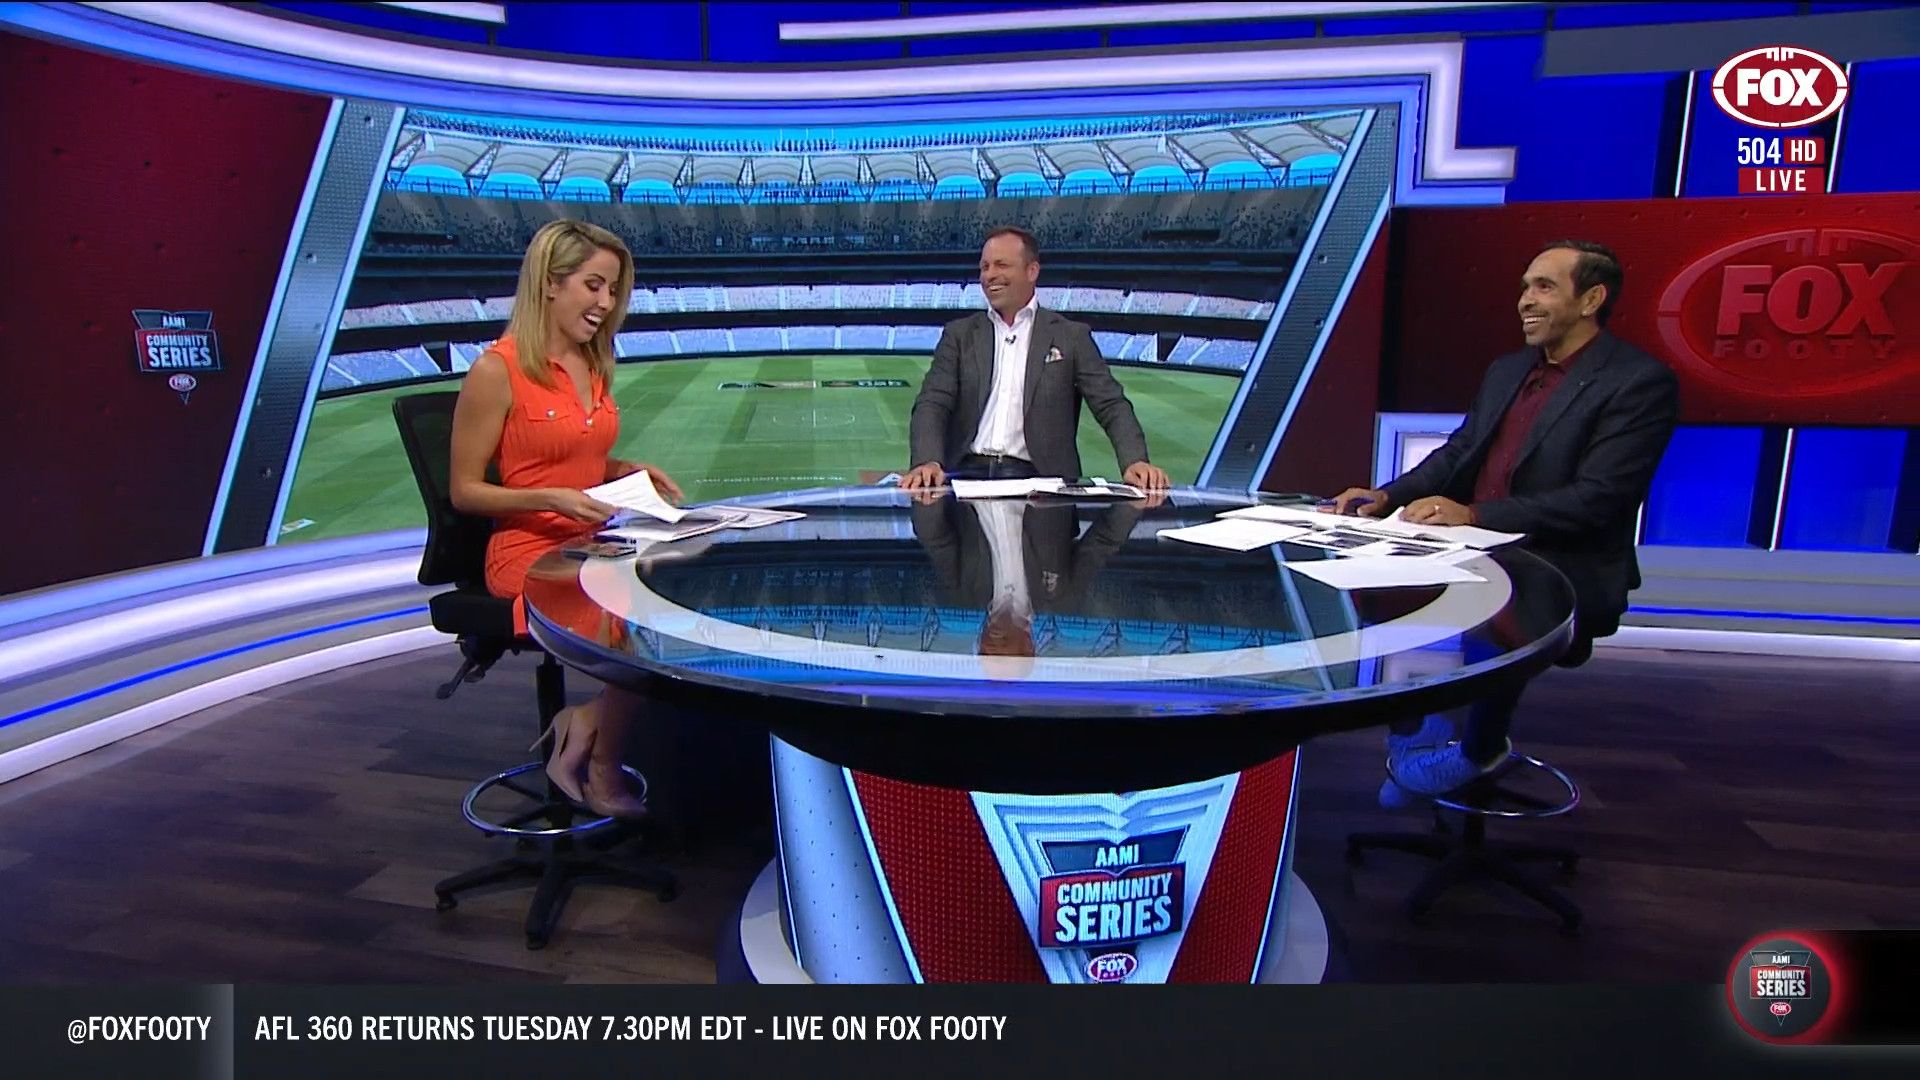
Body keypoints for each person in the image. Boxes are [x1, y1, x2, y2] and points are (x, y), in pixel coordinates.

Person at [1325, 240, 1679, 804]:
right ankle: (1421, 719)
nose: (1525, 301)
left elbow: (1598, 499)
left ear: (1591, 299)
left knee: (1495, 620)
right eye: (1524, 287)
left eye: (1544, 287)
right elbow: (1457, 453)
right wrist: (1387, 495)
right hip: (1470, 548)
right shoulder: (1509, 370)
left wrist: (1475, 515)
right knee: (1360, 582)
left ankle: (1479, 750)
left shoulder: (1637, 383)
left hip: (1557, 562)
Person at [447, 219, 684, 820]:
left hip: (592, 538)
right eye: (593, 285)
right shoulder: (497, 371)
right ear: (550, 283)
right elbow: (465, 492)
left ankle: (584, 719)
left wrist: (626, 468)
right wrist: (551, 498)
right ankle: (602, 764)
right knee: (641, 623)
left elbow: (581, 458)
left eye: (614, 290)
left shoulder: (593, 362)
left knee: (682, 591)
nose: (605, 303)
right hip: (528, 553)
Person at [900, 226, 1172, 492]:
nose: (990, 275)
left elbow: (1110, 403)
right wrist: (927, 460)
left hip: (1043, 482)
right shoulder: (959, 335)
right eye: (984, 267)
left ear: (1032, 271)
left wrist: (1135, 460)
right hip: (966, 476)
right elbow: (933, 402)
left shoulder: (1070, 336)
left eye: (1001, 265)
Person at [910, 493, 1146, 679]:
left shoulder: (964, 594)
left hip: (975, 481)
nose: (992, 646)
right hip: (1040, 479)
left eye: (985, 653)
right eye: (1002, 656)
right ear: (1028, 648)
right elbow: (1102, 541)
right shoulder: (1061, 596)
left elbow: (935, 539)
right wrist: (1133, 505)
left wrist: (926, 502)